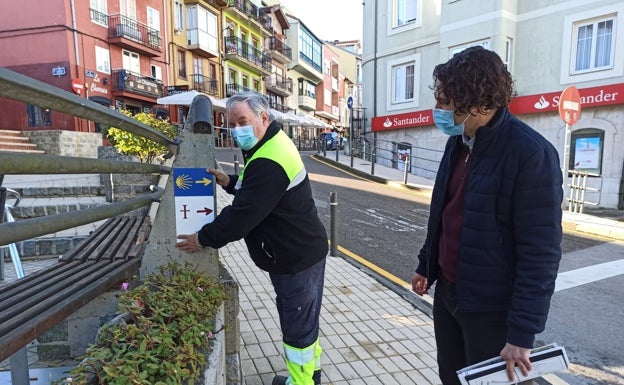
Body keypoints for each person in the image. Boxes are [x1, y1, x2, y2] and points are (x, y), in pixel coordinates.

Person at [411, 46, 563, 385]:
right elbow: (444, 212)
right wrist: (426, 265)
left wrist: (522, 333)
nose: (438, 110)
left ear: (477, 105)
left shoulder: (531, 154)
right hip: (449, 295)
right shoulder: (461, 140)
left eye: (445, 102)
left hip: (493, 312)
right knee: (451, 378)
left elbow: (541, 253)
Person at [176, 91, 328, 385]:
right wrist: (230, 181)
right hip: (301, 252)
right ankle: (312, 374)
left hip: (295, 258)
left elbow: (242, 216)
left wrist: (203, 238)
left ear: (263, 117)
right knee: (305, 321)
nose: (237, 130)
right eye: (232, 124)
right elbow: (258, 192)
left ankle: (302, 382)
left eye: (242, 121)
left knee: (297, 327)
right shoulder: (269, 144)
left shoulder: (269, 158)